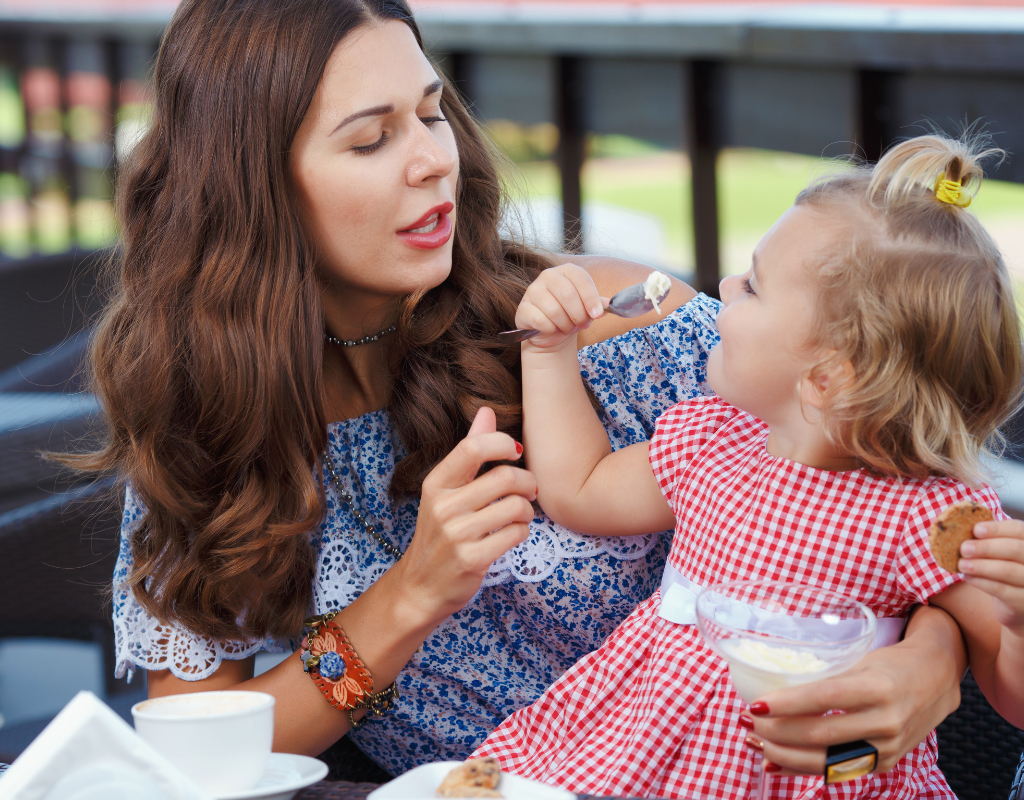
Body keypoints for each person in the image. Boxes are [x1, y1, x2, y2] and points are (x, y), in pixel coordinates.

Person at [85, 0, 972, 781]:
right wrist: (410, 597)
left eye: (431, 115)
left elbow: (891, 487)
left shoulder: (612, 330)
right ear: (250, 189)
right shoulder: (211, 425)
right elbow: (196, 753)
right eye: (370, 138)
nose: (434, 160)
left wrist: (934, 658)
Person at [473, 134, 1024, 798]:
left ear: (827, 379)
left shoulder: (926, 513)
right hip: (646, 756)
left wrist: (1018, 624)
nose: (725, 286)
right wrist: (548, 352)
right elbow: (578, 488)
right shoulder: (713, 441)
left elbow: (1012, 699)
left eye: (754, 285)